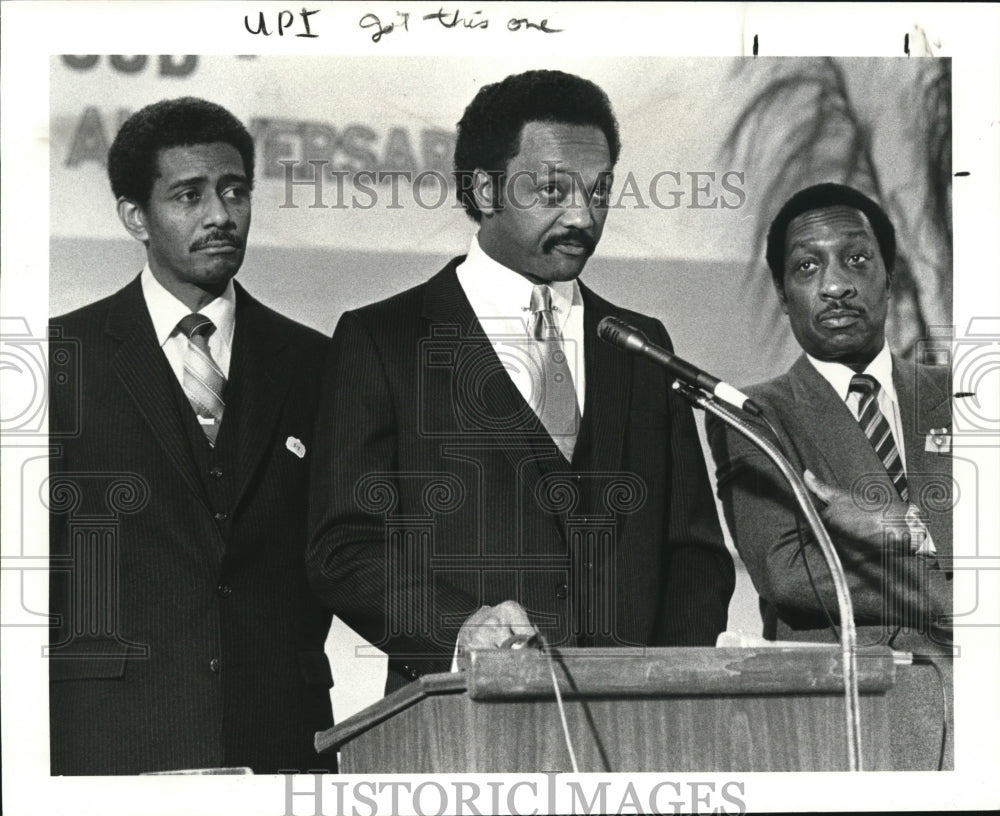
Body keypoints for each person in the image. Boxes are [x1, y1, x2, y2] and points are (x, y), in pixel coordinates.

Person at [308, 70, 735, 695]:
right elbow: (344, 545)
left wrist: (662, 687)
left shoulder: (641, 345)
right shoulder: (383, 340)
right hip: (460, 729)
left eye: (599, 190)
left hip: (636, 742)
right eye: (553, 189)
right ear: (485, 189)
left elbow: (693, 553)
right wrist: (457, 631)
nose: (582, 216)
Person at [48, 97, 334, 775]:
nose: (220, 215)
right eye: (189, 195)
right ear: (134, 216)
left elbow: (347, 545)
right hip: (108, 740)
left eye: (235, 191)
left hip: (281, 739)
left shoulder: (316, 363)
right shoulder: (62, 358)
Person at [706, 183, 953, 769]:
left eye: (857, 259)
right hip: (850, 719)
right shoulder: (755, 414)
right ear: (785, 295)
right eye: (808, 266)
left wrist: (905, 528)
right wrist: (961, 587)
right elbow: (792, 574)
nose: (836, 284)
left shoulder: (960, 395)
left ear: (889, 277)